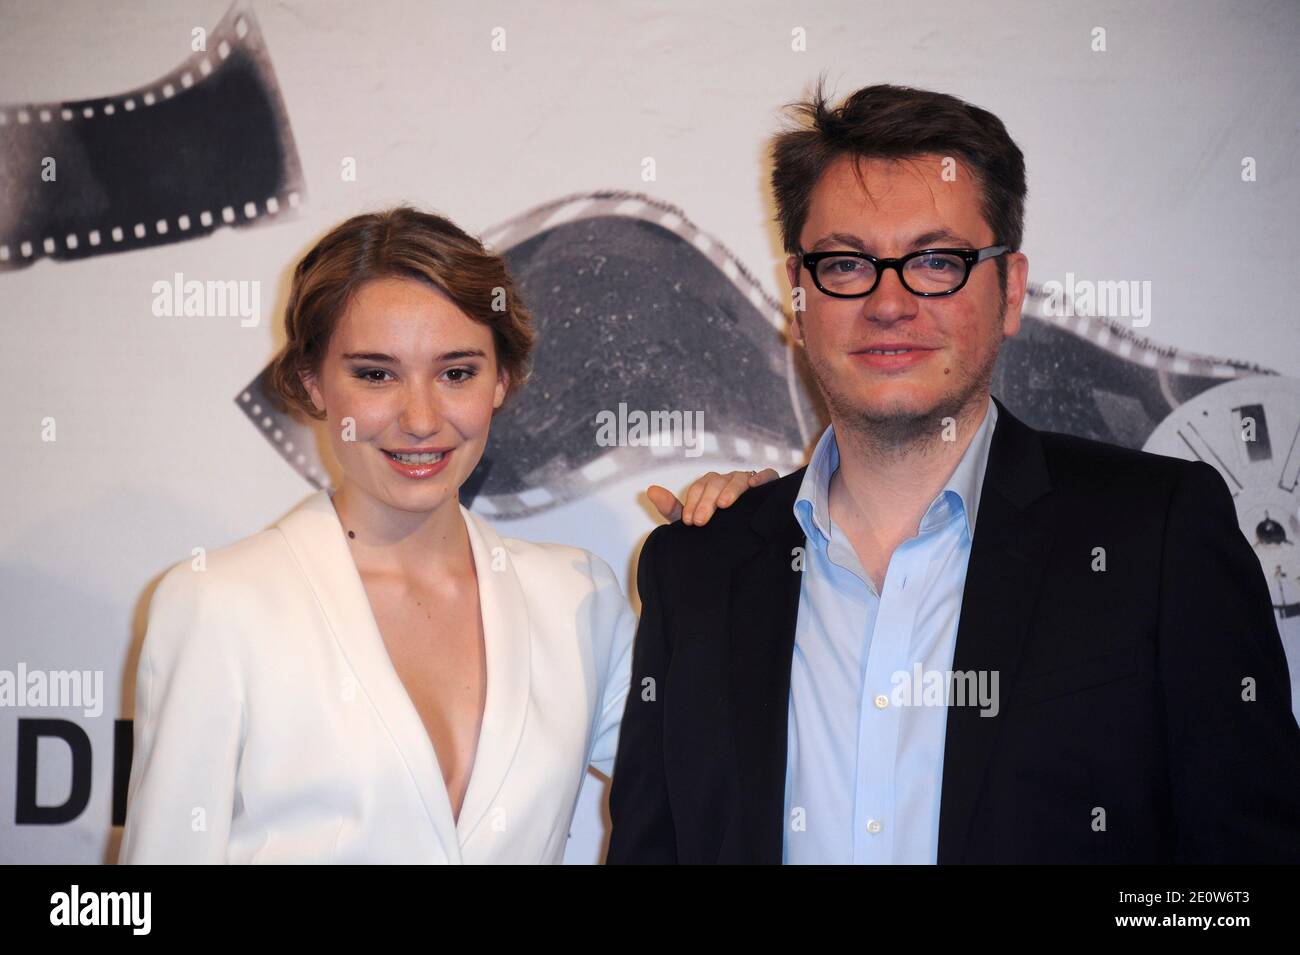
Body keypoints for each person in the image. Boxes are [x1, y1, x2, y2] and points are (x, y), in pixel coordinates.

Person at [608, 82, 1300, 864]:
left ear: (1009, 289)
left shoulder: (1159, 534)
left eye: (937, 260)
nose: (889, 301)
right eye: (845, 263)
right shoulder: (698, 568)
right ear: (798, 295)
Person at [118, 206, 772, 863]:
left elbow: (717, 777)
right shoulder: (219, 605)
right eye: (376, 374)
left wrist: (749, 550)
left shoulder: (576, 599)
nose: (422, 418)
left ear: (501, 380)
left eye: (456, 372)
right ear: (313, 382)